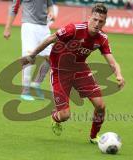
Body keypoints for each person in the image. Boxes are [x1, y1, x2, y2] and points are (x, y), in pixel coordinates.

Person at [20, 3, 125, 143]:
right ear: (90, 18)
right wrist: (32, 56)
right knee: (65, 116)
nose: (97, 23)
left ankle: (94, 136)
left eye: (101, 21)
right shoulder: (74, 29)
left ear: (105, 22)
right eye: (95, 19)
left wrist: (119, 75)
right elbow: (51, 38)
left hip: (80, 70)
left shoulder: (102, 39)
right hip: (60, 71)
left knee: (101, 106)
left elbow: (112, 61)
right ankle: (55, 117)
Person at [3, 0, 55, 101]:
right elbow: (14, 8)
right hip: (29, 26)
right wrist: (7, 27)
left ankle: (36, 83)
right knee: (29, 57)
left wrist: (51, 12)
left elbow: (50, 4)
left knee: (51, 57)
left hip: (44, 27)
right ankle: (25, 91)